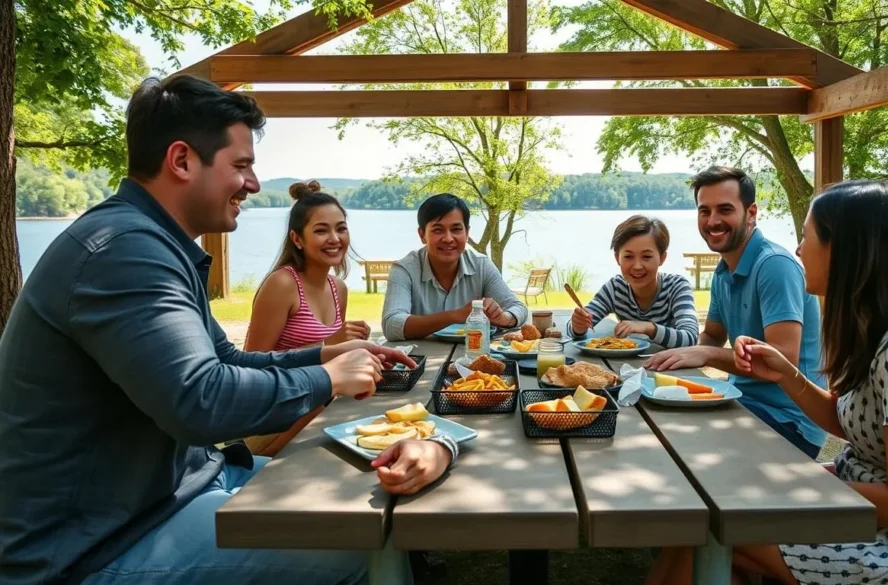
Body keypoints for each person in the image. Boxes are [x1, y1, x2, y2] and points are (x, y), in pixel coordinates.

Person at [0, 75, 457, 585]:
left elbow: (226, 361)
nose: (255, 184)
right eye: (241, 166)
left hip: (179, 490)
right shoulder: (123, 251)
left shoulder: (156, 244)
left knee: (372, 498)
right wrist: (328, 380)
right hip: (96, 543)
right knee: (359, 540)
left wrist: (326, 355)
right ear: (181, 161)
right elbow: (201, 400)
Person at [649, 179, 888, 585]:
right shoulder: (880, 326)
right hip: (873, 520)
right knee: (711, 517)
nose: (798, 250)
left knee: (714, 523)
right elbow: (846, 419)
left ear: (849, 249)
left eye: (807, 237)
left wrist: (793, 481)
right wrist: (786, 374)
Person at [645, 166, 826, 459]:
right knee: (654, 422)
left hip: (790, 420)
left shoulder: (774, 265)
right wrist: (675, 360)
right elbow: (713, 336)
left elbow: (782, 358)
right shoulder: (722, 272)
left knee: (678, 451)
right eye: (704, 211)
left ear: (751, 212)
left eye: (725, 209)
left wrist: (706, 355)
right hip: (741, 401)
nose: (713, 221)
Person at [242, 180, 371, 457]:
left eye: (341, 228)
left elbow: (333, 362)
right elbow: (249, 369)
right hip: (276, 417)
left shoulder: (339, 289)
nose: (335, 239)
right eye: (321, 230)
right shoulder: (282, 284)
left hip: (321, 406)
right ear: (297, 239)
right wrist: (329, 345)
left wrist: (353, 350)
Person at [381, 193, 527, 341]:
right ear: (422, 235)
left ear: (467, 233)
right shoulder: (404, 269)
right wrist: (456, 315)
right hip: (421, 358)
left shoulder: (481, 265)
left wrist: (503, 318)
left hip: (475, 355)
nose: (448, 238)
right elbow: (391, 324)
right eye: (438, 230)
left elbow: (519, 308)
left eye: (456, 229)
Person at [568, 215, 699, 348]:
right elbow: (575, 328)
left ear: (662, 257)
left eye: (646, 256)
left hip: (671, 367)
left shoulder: (677, 287)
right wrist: (578, 326)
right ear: (617, 258)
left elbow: (691, 337)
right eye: (628, 256)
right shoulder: (615, 288)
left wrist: (649, 328)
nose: (637, 266)